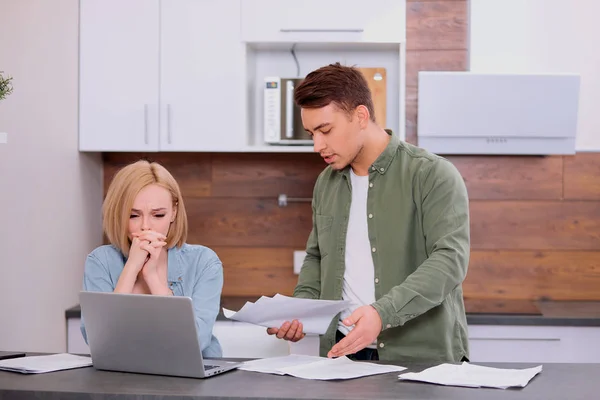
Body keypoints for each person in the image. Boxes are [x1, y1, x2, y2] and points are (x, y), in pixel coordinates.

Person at [267, 62, 471, 362]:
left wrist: (381, 313)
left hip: (421, 358)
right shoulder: (327, 182)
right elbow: (317, 256)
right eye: (311, 134)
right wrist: (301, 310)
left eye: (325, 130)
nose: (316, 145)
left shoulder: (432, 174)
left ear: (361, 116)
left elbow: (450, 260)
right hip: (343, 356)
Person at [80, 160, 224, 358]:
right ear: (118, 214)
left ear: (173, 212)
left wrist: (152, 277)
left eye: (158, 215)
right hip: (122, 376)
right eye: (133, 215)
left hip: (191, 380)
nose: (145, 227)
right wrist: (131, 267)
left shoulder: (204, 262)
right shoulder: (100, 261)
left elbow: (195, 341)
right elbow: (98, 339)